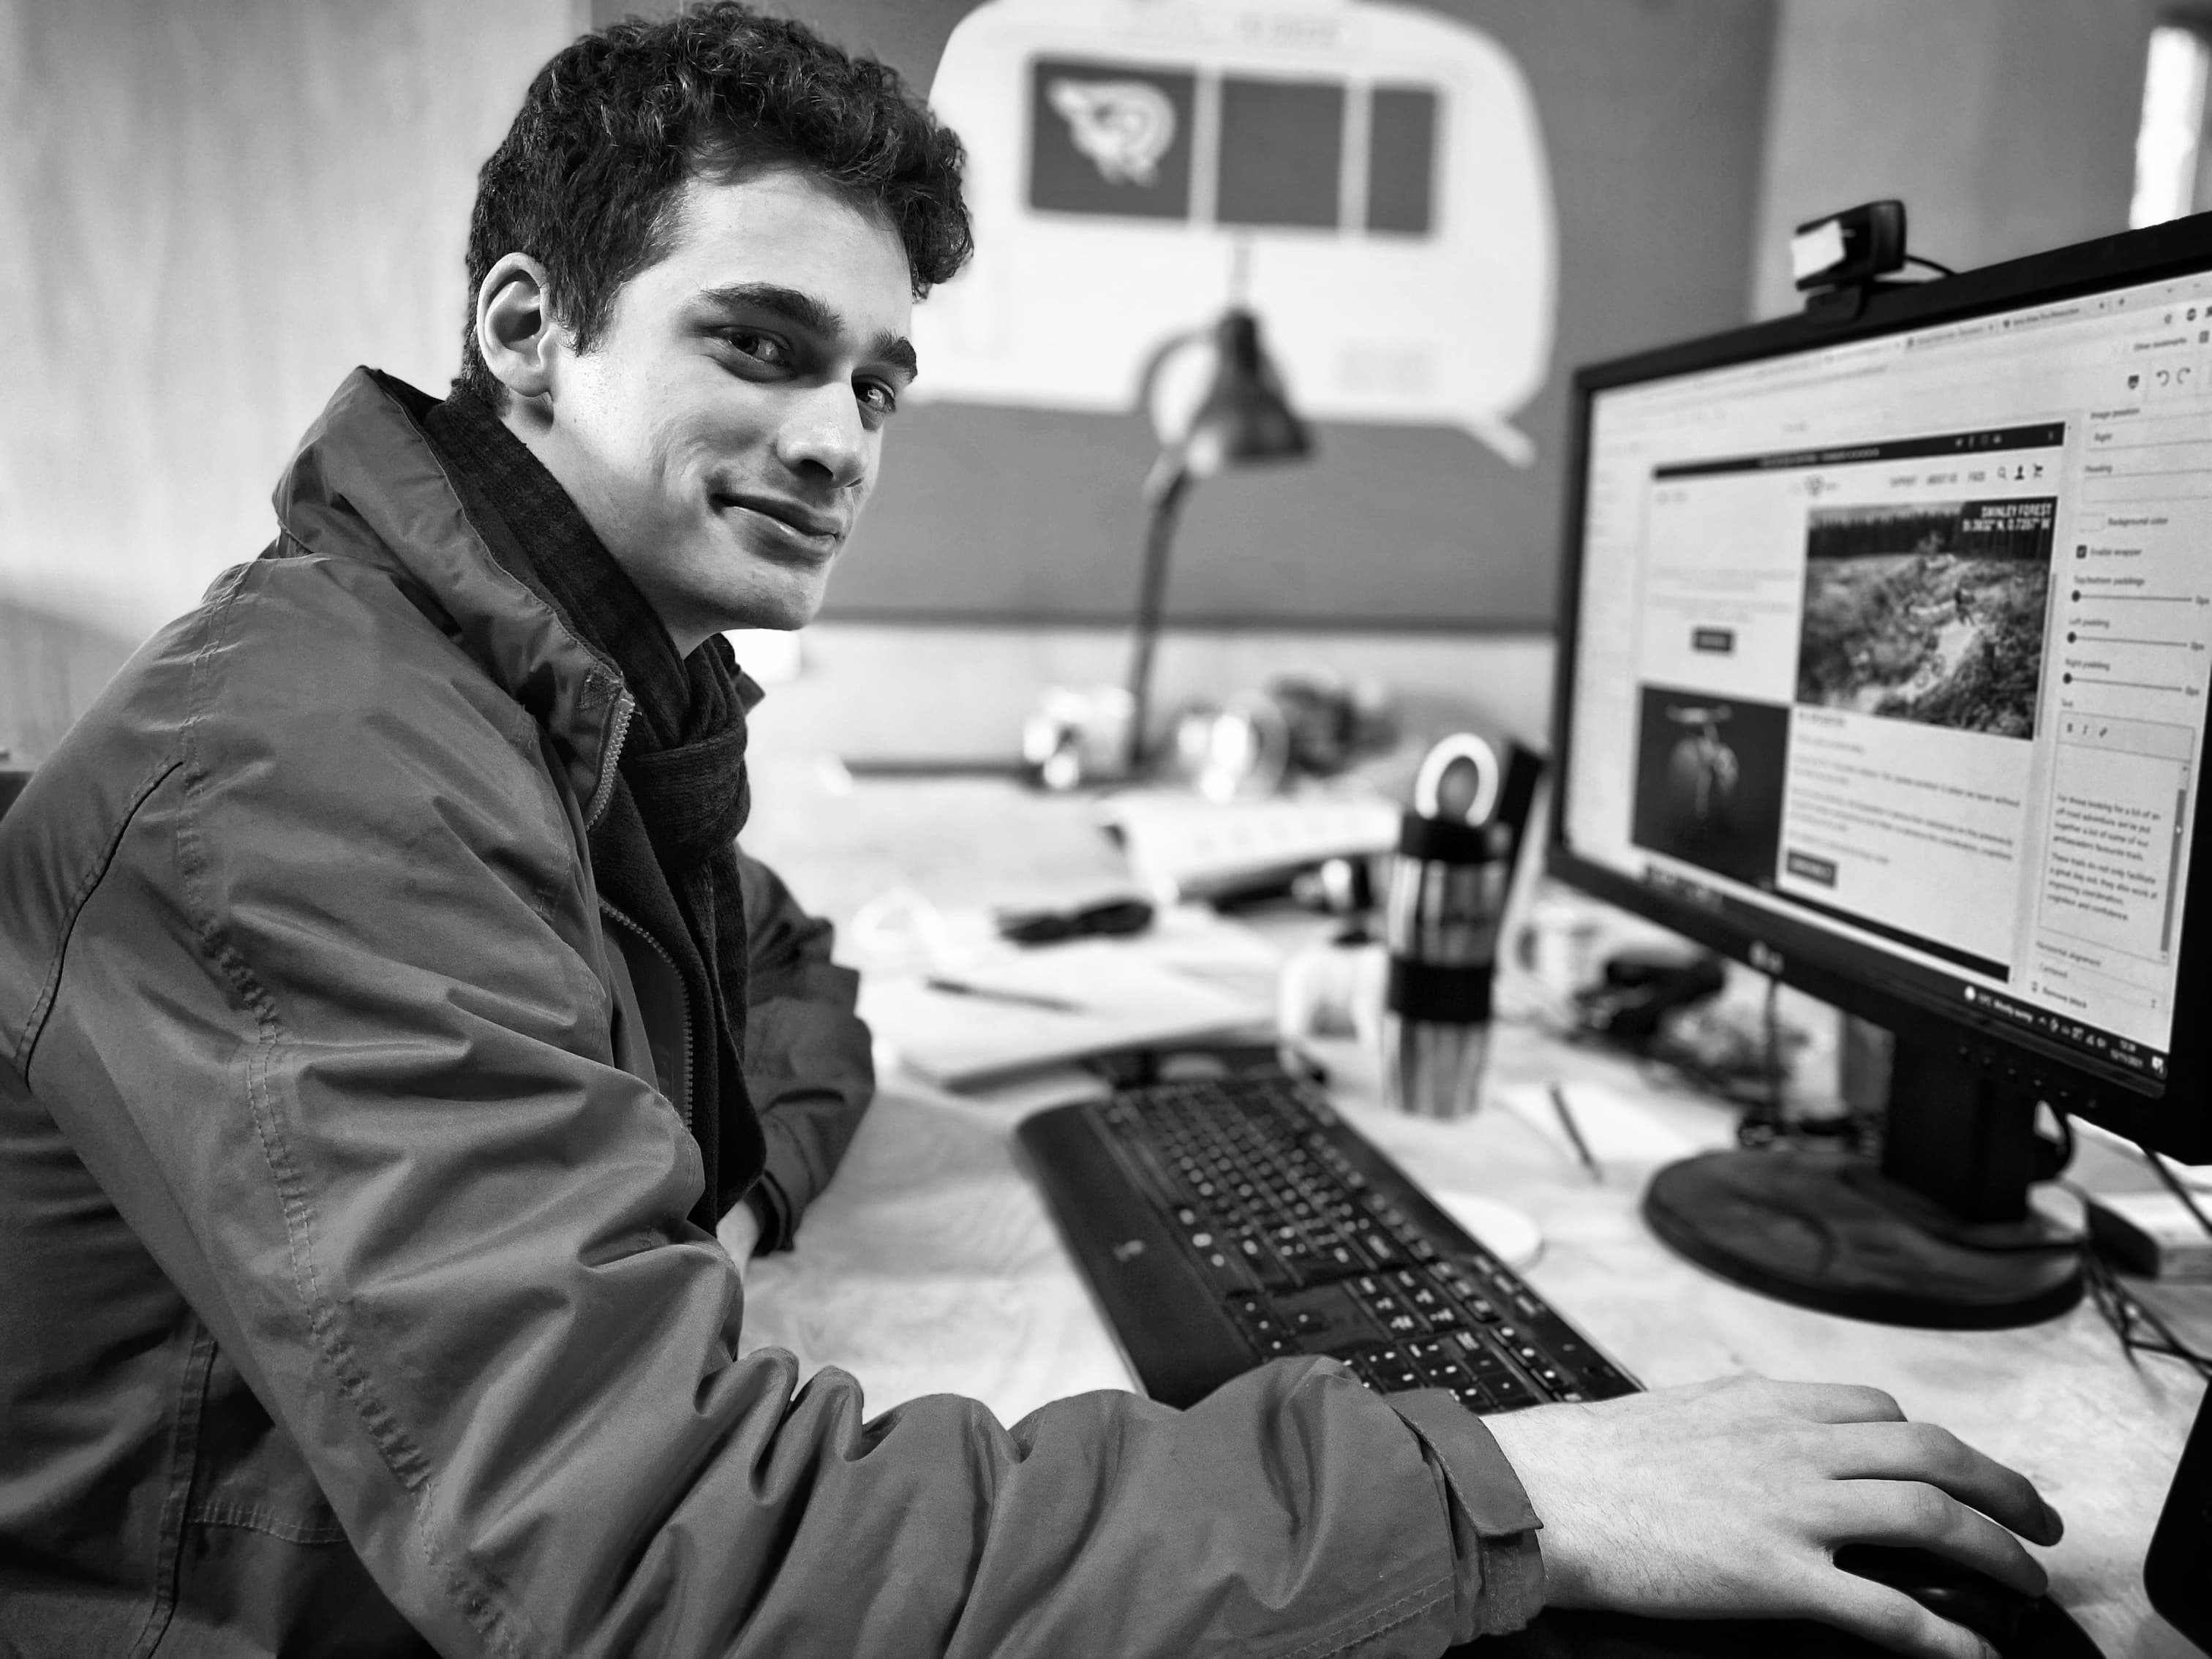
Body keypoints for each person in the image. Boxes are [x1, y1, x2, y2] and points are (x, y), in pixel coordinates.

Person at [0, 8, 2061, 1658]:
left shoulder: (548, 690)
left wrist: (726, 1182)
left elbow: (782, 972)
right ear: (529, 330)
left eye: (882, 385)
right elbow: (661, 1568)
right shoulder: (312, 762)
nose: (835, 441)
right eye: (762, 344)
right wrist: (1519, 1491)